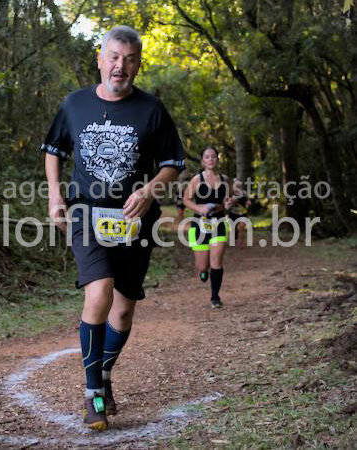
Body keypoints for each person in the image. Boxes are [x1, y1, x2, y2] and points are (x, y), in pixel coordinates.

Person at [41, 26, 184, 431]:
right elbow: (53, 151)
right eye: (114, 57)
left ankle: (104, 372)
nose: (120, 66)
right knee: (99, 291)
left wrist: (151, 191)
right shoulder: (75, 105)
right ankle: (93, 395)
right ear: (100, 59)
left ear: (138, 64)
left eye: (130, 59)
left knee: (123, 309)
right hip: (86, 211)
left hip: (133, 218)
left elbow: (173, 161)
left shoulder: (152, 110)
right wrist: (55, 196)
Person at [183, 147, 233, 308]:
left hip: (218, 222)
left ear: (218, 159)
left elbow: (228, 200)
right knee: (203, 266)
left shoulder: (225, 180)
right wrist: (200, 209)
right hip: (199, 225)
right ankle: (203, 272)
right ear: (203, 160)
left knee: (216, 261)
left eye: (214, 156)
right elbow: (186, 199)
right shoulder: (197, 179)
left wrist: (228, 204)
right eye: (207, 157)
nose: (211, 159)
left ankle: (215, 296)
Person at [228, 178, 251, 248]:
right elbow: (228, 204)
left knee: (241, 227)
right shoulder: (231, 193)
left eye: (239, 185)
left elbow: (248, 201)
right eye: (236, 185)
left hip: (243, 213)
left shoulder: (244, 193)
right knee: (233, 229)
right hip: (233, 213)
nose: (238, 186)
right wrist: (232, 202)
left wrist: (248, 202)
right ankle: (234, 239)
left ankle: (241, 243)